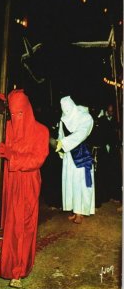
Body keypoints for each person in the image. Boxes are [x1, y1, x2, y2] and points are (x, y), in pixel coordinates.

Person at [0, 89, 49, 288]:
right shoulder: (5, 126)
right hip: (3, 180)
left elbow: (38, 159)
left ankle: (18, 269)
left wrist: (12, 156)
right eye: (14, 113)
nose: (18, 118)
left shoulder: (41, 130)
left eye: (21, 113)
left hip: (26, 182)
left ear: (28, 110)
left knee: (21, 225)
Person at [55, 96, 95, 224]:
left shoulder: (85, 117)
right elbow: (61, 134)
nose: (66, 112)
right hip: (69, 156)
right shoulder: (64, 118)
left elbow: (81, 134)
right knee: (71, 182)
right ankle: (75, 209)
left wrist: (64, 143)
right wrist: (60, 147)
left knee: (80, 184)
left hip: (81, 155)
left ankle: (81, 212)